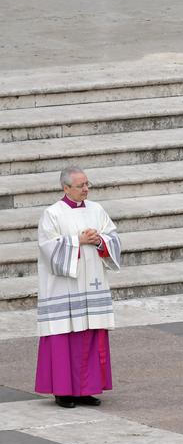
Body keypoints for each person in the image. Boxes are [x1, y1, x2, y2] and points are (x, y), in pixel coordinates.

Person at [35, 167, 121, 408]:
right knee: (64, 338)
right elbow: (47, 248)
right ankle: (63, 391)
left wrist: (100, 240)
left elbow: (114, 238)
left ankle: (86, 389)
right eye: (80, 185)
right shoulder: (52, 214)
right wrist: (78, 241)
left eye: (87, 184)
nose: (86, 189)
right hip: (64, 287)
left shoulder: (97, 209)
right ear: (65, 188)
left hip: (92, 284)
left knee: (90, 335)